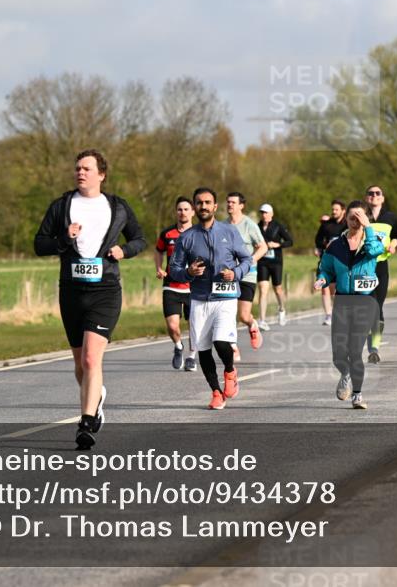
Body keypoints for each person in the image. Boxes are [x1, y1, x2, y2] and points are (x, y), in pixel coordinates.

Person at [34, 149, 146, 450]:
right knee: (80, 366)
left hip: (105, 289)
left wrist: (125, 251)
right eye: (77, 168)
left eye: (86, 168)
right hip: (71, 291)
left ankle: (86, 422)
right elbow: (39, 243)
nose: (80, 173)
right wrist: (63, 239)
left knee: (90, 358)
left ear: (101, 174)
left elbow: (139, 238)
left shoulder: (118, 207)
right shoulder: (61, 206)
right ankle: (96, 396)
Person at [169, 187, 253, 410]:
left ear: (215, 206)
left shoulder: (229, 231)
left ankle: (229, 370)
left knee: (220, 341)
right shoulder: (186, 237)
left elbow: (247, 260)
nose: (203, 206)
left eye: (208, 202)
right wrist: (188, 273)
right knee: (203, 348)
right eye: (199, 203)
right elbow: (174, 269)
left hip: (225, 296)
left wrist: (235, 273)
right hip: (199, 298)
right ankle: (216, 392)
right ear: (195, 207)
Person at [314, 200, 383, 409]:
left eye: (359, 216)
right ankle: (345, 373)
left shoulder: (373, 239)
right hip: (342, 301)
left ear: (366, 219)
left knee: (355, 350)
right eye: (352, 217)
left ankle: (357, 395)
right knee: (338, 354)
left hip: (365, 301)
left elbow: (374, 251)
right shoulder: (336, 245)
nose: (355, 220)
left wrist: (368, 228)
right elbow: (325, 268)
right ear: (346, 219)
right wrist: (322, 279)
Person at [154, 197, 196, 372]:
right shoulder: (167, 234)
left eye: (186, 209)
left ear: (193, 212)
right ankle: (178, 346)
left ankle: (192, 357)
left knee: (195, 326)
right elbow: (158, 250)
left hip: (195, 288)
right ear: (176, 212)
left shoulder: (200, 233)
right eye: (180, 209)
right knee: (172, 326)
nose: (183, 212)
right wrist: (158, 267)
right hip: (171, 285)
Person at [224, 192, 267, 358]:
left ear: (241, 205)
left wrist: (251, 260)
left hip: (247, 275)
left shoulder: (249, 225)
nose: (230, 205)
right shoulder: (221, 226)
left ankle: (252, 324)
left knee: (242, 315)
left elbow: (262, 247)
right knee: (228, 314)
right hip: (228, 276)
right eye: (228, 202)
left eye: (233, 202)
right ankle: (233, 348)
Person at [364, 185, 397, 363]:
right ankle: (372, 346)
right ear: (366, 198)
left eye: (378, 193)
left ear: (383, 198)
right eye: (371, 193)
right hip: (364, 266)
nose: (374, 196)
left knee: (378, 305)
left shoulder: (390, 217)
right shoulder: (362, 217)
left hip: (381, 265)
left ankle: (375, 346)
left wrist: (393, 245)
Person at [257, 203, 293, 329]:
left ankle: (282, 309)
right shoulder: (257, 227)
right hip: (262, 262)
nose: (264, 215)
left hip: (276, 262)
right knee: (263, 290)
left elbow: (290, 241)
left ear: (271, 214)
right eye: (262, 212)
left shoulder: (278, 226)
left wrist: (278, 245)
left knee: (277, 289)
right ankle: (262, 320)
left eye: (266, 212)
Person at [314, 200, 347, 326]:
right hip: (327, 260)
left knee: (336, 289)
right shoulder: (327, 225)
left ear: (343, 210)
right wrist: (322, 246)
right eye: (332, 209)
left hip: (342, 261)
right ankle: (328, 315)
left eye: (336, 210)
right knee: (325, 287)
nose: (333, 212)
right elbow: (318, 239)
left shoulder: (347, 224)